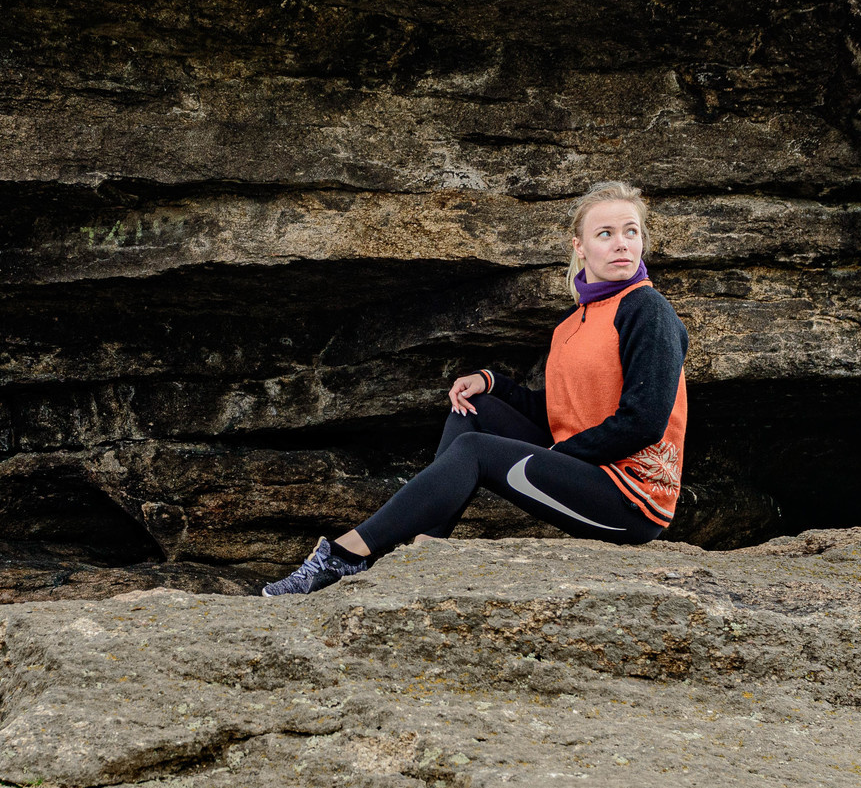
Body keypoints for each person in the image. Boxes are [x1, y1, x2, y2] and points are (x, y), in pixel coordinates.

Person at [264, 180, 689, 596]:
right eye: (605, 233)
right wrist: (491, 383)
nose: (621, 244)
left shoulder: (647, 310)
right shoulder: (571, 326)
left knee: (476, 452)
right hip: (587, 471)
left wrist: (553, 459)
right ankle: (425, 550)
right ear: (580, 246)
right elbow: (561, 415)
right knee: (473, 408)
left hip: (630, 501)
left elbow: (644, 422)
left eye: (631, 232)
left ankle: (343, 554)